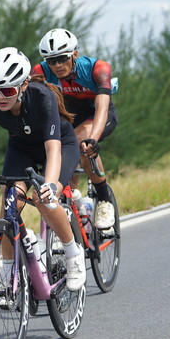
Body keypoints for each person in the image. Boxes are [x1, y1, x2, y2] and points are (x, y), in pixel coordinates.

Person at [0, 47, 87, 292]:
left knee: (43, 199)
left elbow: (53, 149)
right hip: (21, 147)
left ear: (23, 85)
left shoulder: (42, 96)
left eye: (7, 90)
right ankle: (9, 275)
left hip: (59, 145)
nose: (0, 97)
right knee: (9, 204)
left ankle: (73, 253)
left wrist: (52, 186)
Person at [31, 28, 118, 229]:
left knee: (81, 144)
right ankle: (74, 202)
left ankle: (104, 200)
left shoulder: (97, 68)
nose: (57, 65)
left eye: (62, 58)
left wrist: (93, 139)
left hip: (96, 114)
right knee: (60, 153)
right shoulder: (40, 72)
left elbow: (102, 107)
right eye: (51, 61)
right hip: (68, 117)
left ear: (75, 54)